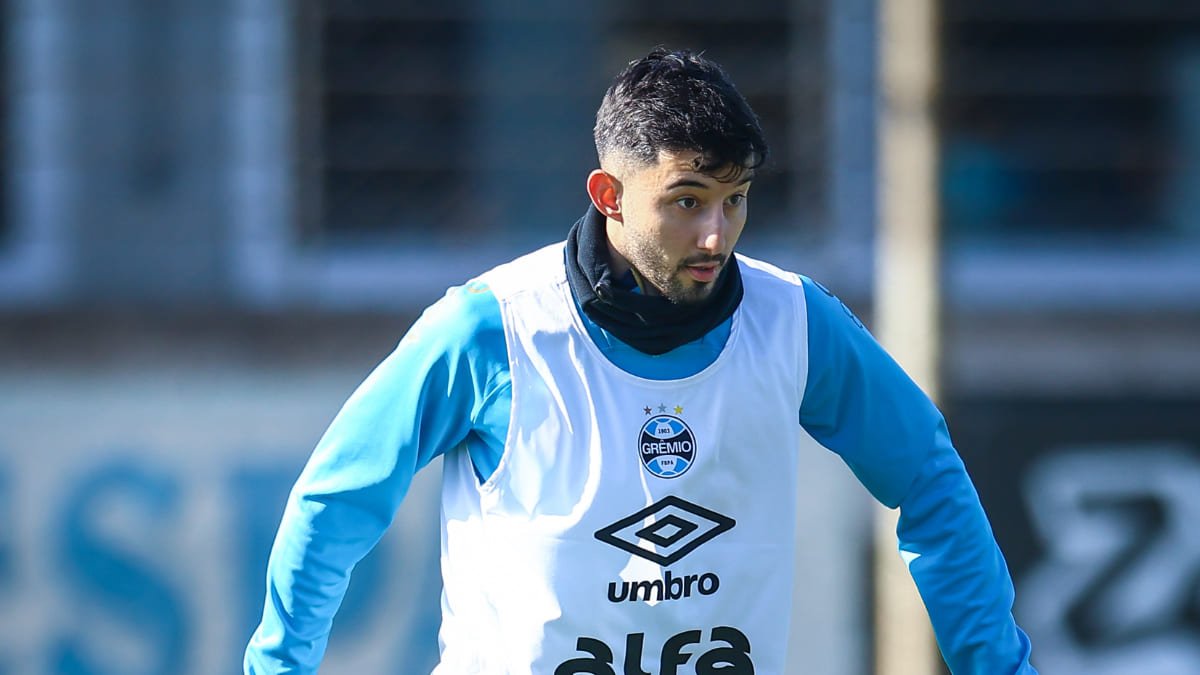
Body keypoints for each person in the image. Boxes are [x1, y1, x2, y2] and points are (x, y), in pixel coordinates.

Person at [244, 48, 1036, 674]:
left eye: (736, 198)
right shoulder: (492, 329)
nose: (717, 235)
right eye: (687, 200)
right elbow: (334, 502)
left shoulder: (797, 322)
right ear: (609, 194)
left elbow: (930, 479)